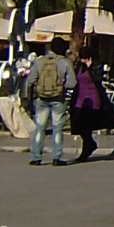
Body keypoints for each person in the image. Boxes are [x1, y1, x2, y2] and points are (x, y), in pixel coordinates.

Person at [27, 39, 77, 167]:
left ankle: (36, 157)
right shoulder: (65, 63)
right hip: (58, 99)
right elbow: (72, 83)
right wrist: (61, 85)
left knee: (40, 128)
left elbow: (31, 80)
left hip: (41, 98)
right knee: (57, 128)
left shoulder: (39, 62)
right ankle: (57, 157)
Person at [69, 52, 106, 162]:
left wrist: (90, 68)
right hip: (80, 99)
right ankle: (90, 144)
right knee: (78, 124)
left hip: (93, 99)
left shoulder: (96, 66)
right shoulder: (79, 67)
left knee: (86, 126)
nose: (83, 61)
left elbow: (98, 80)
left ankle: (85, 151)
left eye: (85, 58)